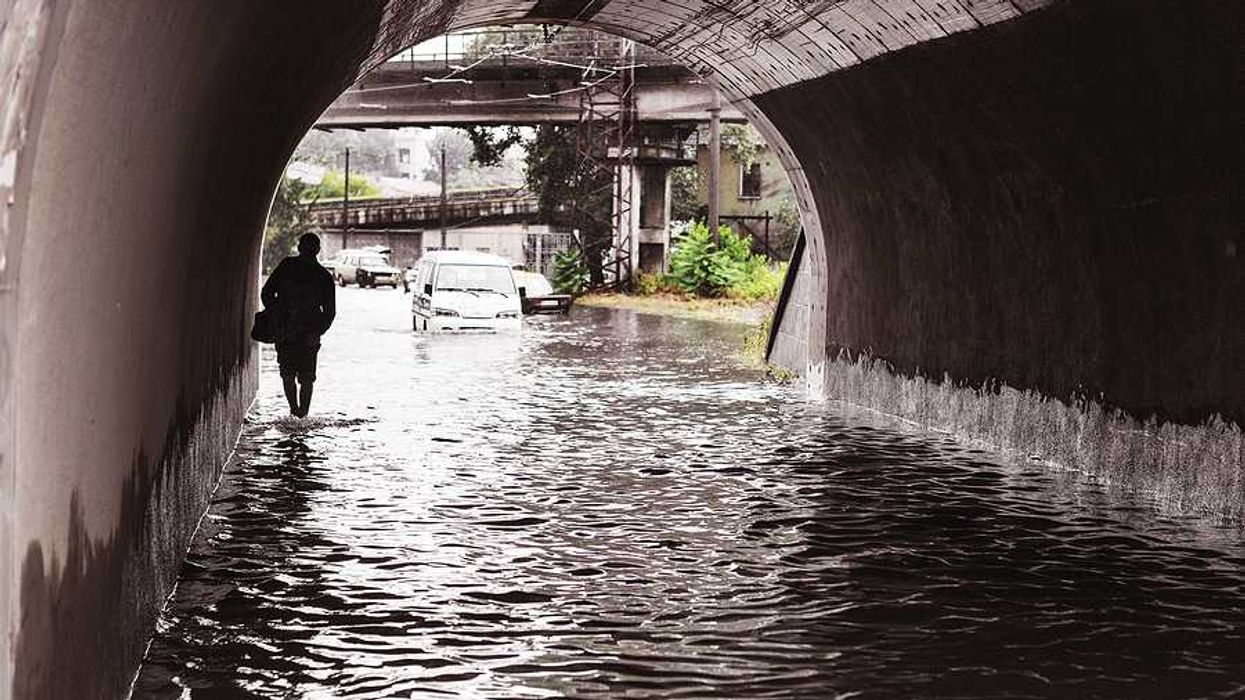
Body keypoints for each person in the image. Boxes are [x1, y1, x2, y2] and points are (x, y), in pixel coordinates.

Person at [261, 233, 336, 417]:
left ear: (299, 247)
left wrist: (277, 313)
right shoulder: (323, 276)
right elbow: (330, 312)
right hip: (305, 334)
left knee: (289, 374)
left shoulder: (287, 267)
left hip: (288, 332)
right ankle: (302, 414)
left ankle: (295, 411)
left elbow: (266, 294)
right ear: (318, 250)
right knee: (306, 377)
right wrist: (317, 332)